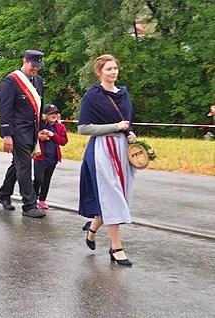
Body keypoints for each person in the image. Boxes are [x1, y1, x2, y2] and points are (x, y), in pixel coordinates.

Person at [78, 54, 137, 266]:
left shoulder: (123, 93)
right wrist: (115, 127)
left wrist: (130, 133)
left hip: (122, 149)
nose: (113, 72)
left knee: (120, 196)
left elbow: (128, 121)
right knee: (112, 196)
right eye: (108, 69)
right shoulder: (92, 96)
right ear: (99, 72)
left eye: (115, 68)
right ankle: (116, 247)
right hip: (102, 149)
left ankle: (93, 228)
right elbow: (83, 128)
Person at [0, 49, 47, 218]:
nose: (36, 69)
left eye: (38, 66)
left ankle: (4, 194)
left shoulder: (38, 81)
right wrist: (7, 135)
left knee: (17, 164)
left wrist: (41, 128)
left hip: (32, 131)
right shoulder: (11, 81)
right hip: (17, 132)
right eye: (33, 65)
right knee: (25, 166)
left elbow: (38, 108)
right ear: (25, 61)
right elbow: (5, 109)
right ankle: (29, 205)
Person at [33, 104, 68, 210]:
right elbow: (33, 136)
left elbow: (64, 141)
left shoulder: (60, 127)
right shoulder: (40, 125)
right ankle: (33, 198)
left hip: (53, 158)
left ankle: (42, 199)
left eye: (55, 113)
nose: (53, 115)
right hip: (40, 157)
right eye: (50, 113)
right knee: (38, 179)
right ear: (45, 115)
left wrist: (53, 135)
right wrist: (41, 135)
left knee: (46, 180)